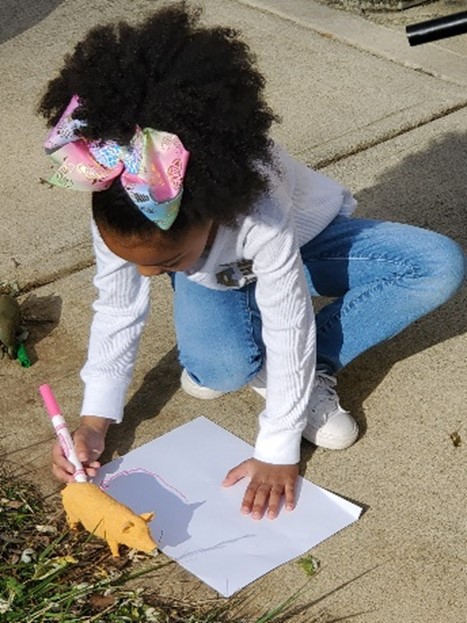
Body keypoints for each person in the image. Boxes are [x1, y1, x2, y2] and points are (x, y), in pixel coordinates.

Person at [39, 2, 465, 521]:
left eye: (167, 261)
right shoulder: (119, 201)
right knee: (218, 371)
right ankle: (250, 358)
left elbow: (289, 319)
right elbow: (117, 309)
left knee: (436, 265)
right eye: (141, 263)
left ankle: (310, 370)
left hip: (302, 246)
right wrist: (94, 421)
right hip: (220, 277)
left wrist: (276, 449)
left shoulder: (256, 203)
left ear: (212, 213)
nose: (148, 274)